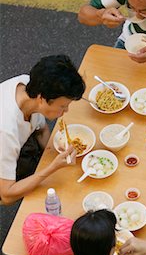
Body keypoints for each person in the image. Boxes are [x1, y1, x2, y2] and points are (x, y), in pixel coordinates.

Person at [0, 55, 85, 205]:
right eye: (62, 106)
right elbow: (6, 195)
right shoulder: (6, 130)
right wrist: (52, 168)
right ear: (42, 99)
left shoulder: (29, 85)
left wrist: (60, 152)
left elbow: (41, 130)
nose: (66, 111)